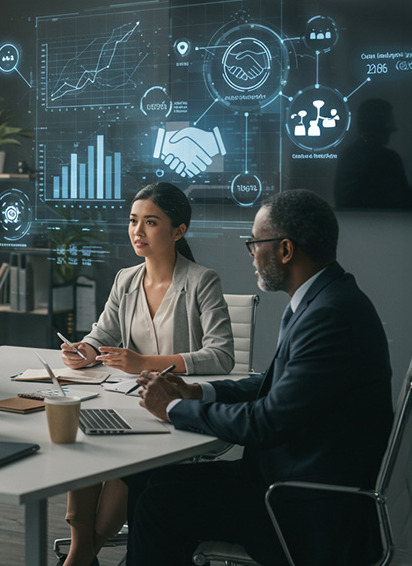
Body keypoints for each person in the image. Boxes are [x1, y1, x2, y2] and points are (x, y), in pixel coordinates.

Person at [126, 189, 394, 566]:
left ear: (285, 250)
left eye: (255, 242)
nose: (251, 253)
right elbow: (269, 385)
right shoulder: (326, 300)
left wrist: (173, 407)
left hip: (299, 505)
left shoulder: (329, 317)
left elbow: (266, 421)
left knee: (158, 503)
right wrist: (197, 391)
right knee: (153, 482)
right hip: (297, 478)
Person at [57, 182, 236, 566]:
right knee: (84, 441)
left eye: (151, 222)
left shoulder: (202, 281)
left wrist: (144, 364)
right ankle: (80, 551)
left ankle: (78, 557)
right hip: (122, 398)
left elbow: (221, 357)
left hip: (170, 408)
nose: (138, 231)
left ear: (178, 231)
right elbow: (101, 334)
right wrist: (84, 351)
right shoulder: (126, 279)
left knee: (120, 452)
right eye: (134, 221)